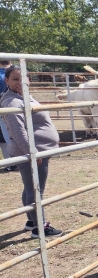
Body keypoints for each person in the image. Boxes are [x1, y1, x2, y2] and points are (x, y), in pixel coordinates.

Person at [0, 65, 63, 237]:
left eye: (24, 78)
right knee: (36, 190)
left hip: (36, 151)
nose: (20, 82)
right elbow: (18, 132)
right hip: (30, 153)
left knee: (30, 188)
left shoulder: (22, 96)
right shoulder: (11, 101)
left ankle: (31, 221)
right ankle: (39, 227)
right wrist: (32, 152)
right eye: (15, 79)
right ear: (7, 81)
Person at [0, 60, 18, 171]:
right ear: (10, 61)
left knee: (6, 136)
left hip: (3, 108)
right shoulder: (18, 72)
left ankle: (12, 162)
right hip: (19, 106)